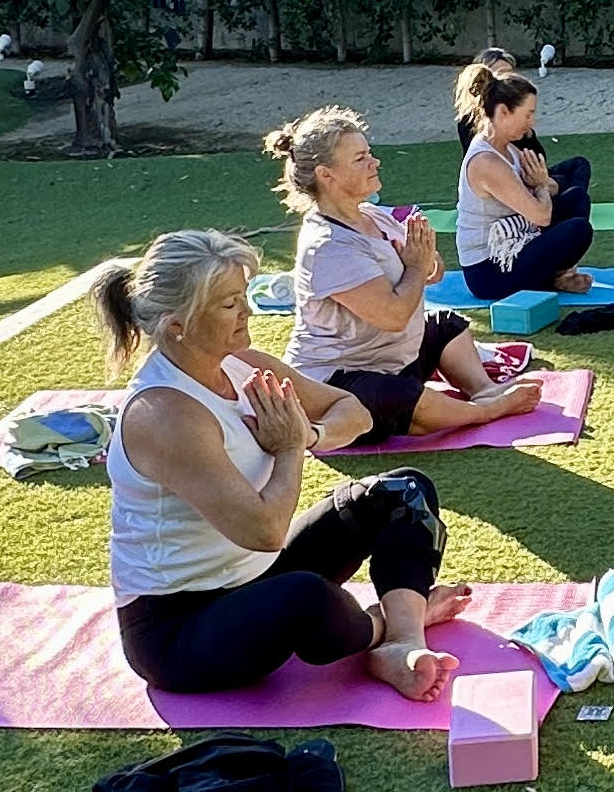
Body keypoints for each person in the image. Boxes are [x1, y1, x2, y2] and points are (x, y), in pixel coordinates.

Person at [100, 230, 469, 700]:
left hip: (255, 575)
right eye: (229, 304)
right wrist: (290, 448)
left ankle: (404, 641)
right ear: (178, 326)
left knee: (402, 492)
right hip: (178, 631)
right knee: (304, 596)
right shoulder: (165, 414)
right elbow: (264, 532)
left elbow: (353, 411)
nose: (247, 312)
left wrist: (310, 434)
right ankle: (384, 626)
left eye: (243, 296)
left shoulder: (242, 365)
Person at [264, 102, 545, 438]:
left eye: (369, 153)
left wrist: (426, 262)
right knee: (387, 397)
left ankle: (483, 388)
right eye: (360, 158)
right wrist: (414, 265)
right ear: (327, 175)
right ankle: (485, 410)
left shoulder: (374, 216)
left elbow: (431, 273)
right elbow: (394, 315)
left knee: (444, 326)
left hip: (392, 359)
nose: (374, 162)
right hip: (337, 384)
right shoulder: (327, 246)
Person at [455, 69, 596, 300]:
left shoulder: (509, 149)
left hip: (518, 239)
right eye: (528, 114)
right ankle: (554, 278)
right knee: (578, 230)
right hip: (489, 271)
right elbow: (541, 216)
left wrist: (545, 184)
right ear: (503, 111)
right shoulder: (486, 162)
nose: (532, 123)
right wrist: (541, 186)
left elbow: (546, 189)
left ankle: (559, 276)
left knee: (577, 198)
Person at [455, 48, 591, 225]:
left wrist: (527, 135)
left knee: (577, 172)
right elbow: (493, 169)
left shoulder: (513, 127)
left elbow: (538, 157)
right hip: (509, 183)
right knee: (571, 206)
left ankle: (560, 206)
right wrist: (542, 185)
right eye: (502, 74)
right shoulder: (481, 139)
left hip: (527, 173)